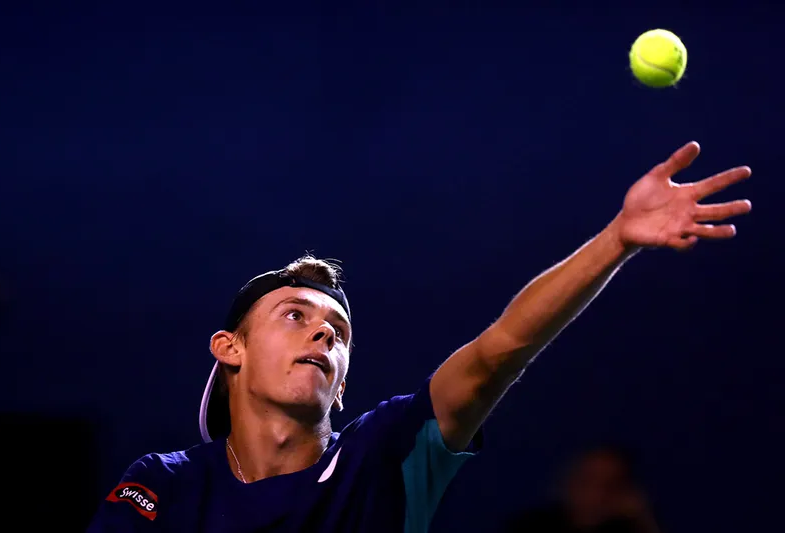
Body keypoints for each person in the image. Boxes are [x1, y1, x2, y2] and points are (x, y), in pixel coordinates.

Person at [87, 141, 751, 532]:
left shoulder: (386, 454)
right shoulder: (163, 484)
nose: (322, 329)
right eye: (294, 314)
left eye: (338, 330)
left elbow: (499, 350)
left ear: (342, 382)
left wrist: (616, 240)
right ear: (228, 349)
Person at [501, 446, 660, 533]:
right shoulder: (532, 526)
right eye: (587, 481)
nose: (596, 495)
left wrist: (641, 518)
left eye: (610, 486)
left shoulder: (627, 529)